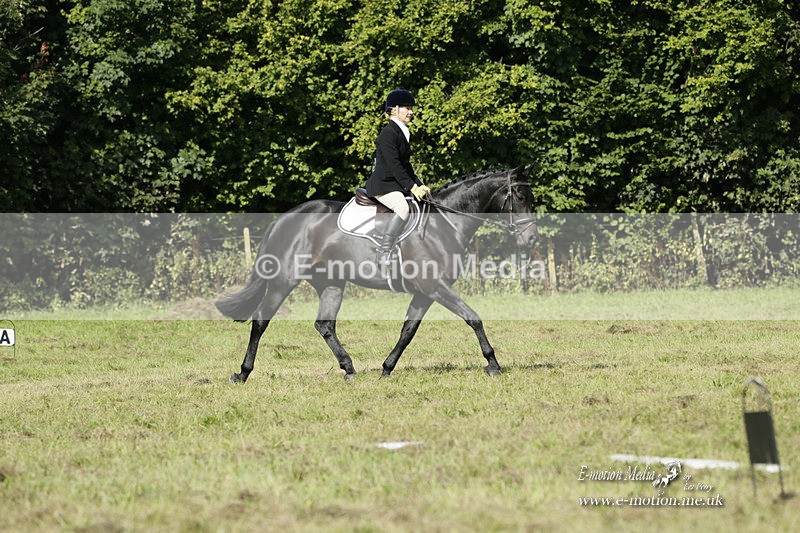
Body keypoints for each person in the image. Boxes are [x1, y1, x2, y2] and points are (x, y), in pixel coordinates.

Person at [365, 88, 430, 265]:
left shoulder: (402, 132)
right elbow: (394, 165)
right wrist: (411, 187)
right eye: (407, 108)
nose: (411, 112)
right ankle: (384, 252)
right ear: (393, 110)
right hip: (383, 185)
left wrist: (419, 184)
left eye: (411, 108)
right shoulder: (388, 133)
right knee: (403, 208)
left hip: (395, 184)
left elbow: (405, 165)